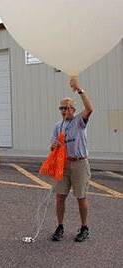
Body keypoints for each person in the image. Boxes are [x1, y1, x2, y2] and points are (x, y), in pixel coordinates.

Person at [50, 78, 93, 242]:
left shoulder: (79, 121)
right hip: (63, 164)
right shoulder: (58, 126)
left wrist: (79, 90)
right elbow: (52, 147)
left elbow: (90, 108)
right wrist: (54, 145)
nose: (64, 110)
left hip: (80, 163)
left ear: (74, 109)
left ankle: (84, 227)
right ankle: (60, 226)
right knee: (60, 196)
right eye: (61, 108)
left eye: (67, 107)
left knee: (81, 196)